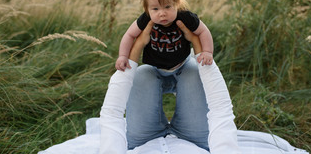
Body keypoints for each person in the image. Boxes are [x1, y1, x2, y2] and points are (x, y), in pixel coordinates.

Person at [99, 20, 240, 154]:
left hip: (149, 142)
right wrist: (196, 41)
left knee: (190, 74)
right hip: (188, 142)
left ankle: (185, 65)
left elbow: (111, 114)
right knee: (143, 75)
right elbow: (221, 110)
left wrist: (138, 45)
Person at [115, 0, 214, 150]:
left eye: (168, 7)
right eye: (155, 9)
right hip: (155, 69)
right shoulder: (145, 20)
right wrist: (123, 56)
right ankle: (155, 129)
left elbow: (203, 31)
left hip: (182, 66)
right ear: (147, 9)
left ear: (177, 3)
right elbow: (129, 35)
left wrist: (207, 52)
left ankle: (185, 129)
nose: (162, 13)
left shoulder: (185, 17)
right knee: (141, 74)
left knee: (194, 73)